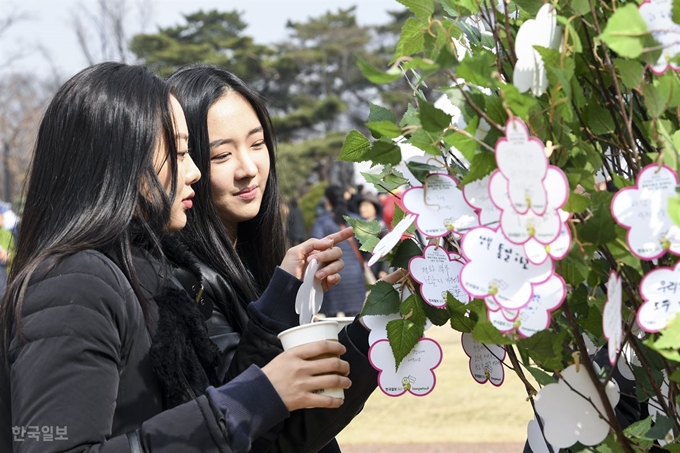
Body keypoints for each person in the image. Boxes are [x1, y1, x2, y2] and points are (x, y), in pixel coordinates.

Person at [0, 62, 352, 453]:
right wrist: (250, 399)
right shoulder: (74, 283)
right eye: (181, 152)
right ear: (123, 160)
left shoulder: (137, 275)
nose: (195, 171)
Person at [167, 64, 384, 452]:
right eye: (221, 155)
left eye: (256, 143)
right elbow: (257, 432)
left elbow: (304, 423)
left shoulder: (254, 260)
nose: (248, 169)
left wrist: (373, 324)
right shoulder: (179, 283)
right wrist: (282, 295)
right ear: (187, 162)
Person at [311, 185, 366, 317]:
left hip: (333, 274)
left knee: (331, 320)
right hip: (355, 275)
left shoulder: (322, 222)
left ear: (327, 201)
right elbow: (368, 245)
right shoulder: (357, 220)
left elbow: (316, 248)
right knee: (355, 319)